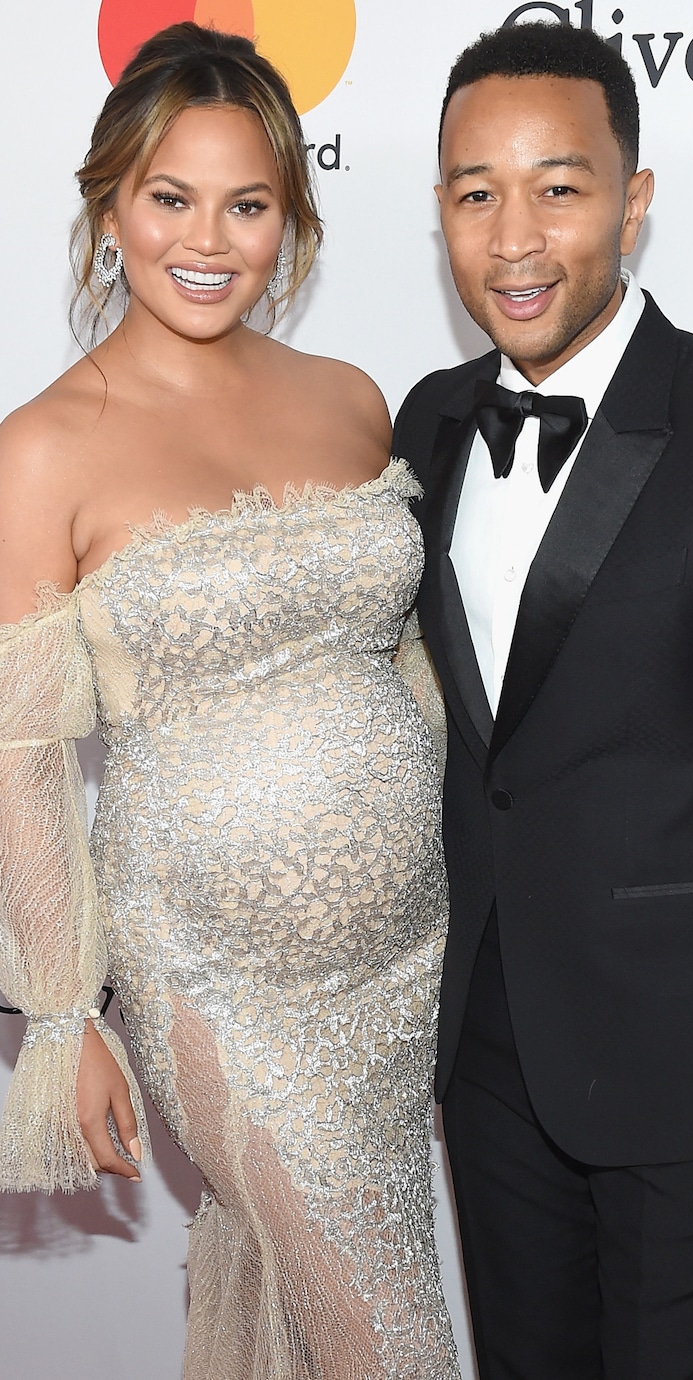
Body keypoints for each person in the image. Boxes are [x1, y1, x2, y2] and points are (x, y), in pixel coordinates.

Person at [0, 22, 458, 1380]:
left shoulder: (352, 401)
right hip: (218, 985)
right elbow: (21, 762)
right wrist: (64, 1018)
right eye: (170, 197)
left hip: (410, 960)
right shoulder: (41, 452)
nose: (208, 240)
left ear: (291, 220)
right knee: (393, 1346)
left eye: (247, 204)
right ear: (109, 208)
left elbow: (408, 671)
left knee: (312, 1316)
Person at [393, 20, 693, 1380]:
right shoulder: (427, 424)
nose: (515, 240)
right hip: (493, 1056)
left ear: (634, 199)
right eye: (475, 193)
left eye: (559, 188)